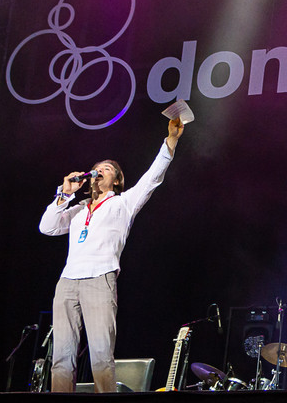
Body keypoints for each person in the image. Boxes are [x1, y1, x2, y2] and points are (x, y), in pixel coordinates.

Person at [39, 117, 185, 392]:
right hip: (67, 281)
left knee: (101, 356)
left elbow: (152, 178)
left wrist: (171, 140)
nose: (99, 171)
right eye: (96, 168)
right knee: (61, 358)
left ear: (116, 180)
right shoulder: (78, 209)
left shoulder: (123, 203)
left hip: (100, 278)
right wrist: (65, 194)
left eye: (106, 169)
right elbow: (47, 227)